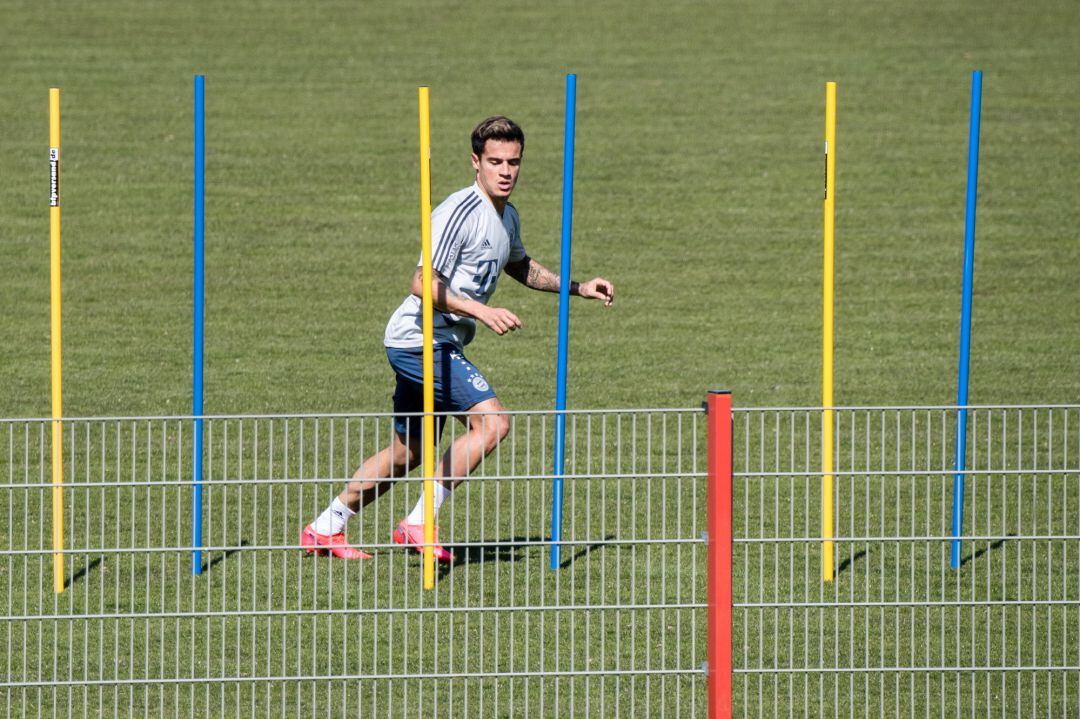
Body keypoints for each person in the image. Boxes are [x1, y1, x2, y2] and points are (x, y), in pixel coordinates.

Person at [301, 116, 614, 562]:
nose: (505, 171)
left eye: (513, 162)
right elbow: (420, 282)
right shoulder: (458, 211)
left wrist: (578, 287)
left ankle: (325, 528)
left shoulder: (507, 216)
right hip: (420, 340)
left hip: (438, 342)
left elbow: (519, 265)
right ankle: (418, 522)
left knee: (408, 454)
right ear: (475, 162)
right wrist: (481, 310)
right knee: (493, 424)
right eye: (495, 162)